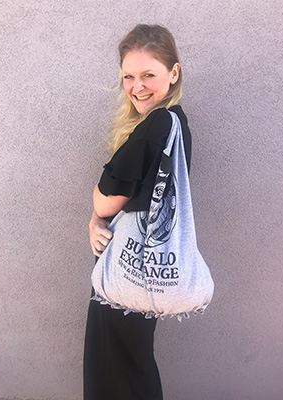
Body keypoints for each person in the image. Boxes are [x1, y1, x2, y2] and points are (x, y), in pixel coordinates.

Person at [84, 24, 190, 400]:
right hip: (140, 262)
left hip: (128, 266)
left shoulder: (159, 124)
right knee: (131, 360)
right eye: (128, 76)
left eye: (149, 75)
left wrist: (96, 215)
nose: (137, 86)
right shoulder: (175, 125)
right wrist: (98, 219)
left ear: (173, 73)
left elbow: (105, 199)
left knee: (118, 365)